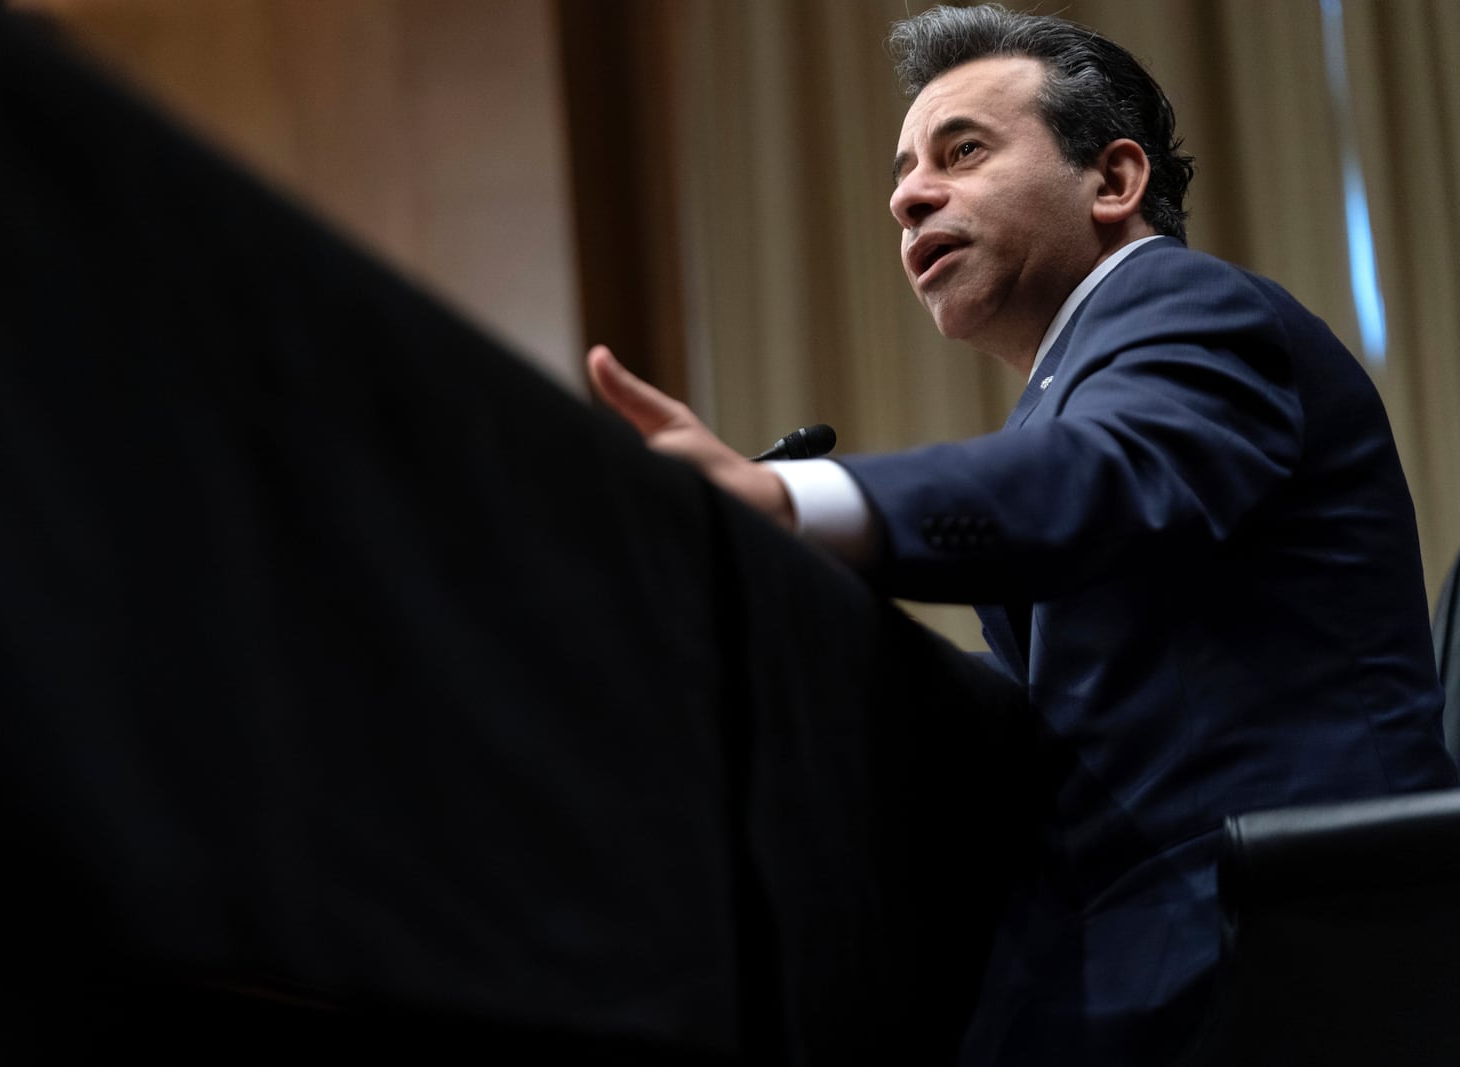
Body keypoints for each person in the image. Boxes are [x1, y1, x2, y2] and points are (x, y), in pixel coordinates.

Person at [587, 4, 1458, 1064]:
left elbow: (1102, 476)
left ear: (1113, 181)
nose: (908, 196)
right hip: (1158, 954)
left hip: (1269, 954)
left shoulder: (1182, 303)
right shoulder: (1069, 385)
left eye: (962, 150)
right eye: (904, 173)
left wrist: (791, 501)